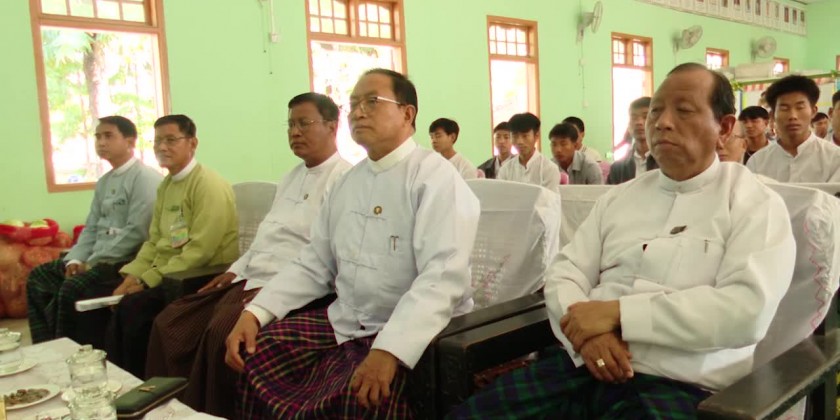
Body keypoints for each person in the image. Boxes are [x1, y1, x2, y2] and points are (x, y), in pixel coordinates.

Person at [449, 63, 795, 419]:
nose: (661, 123)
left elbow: (746, 311)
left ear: (723, 127)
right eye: (656, 111)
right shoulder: (618, 198)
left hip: (681, 384)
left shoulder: (754, 203)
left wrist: (618, 314)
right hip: (580, 366)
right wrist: (588, 336)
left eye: (683, 111)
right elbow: (565, 273)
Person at [228, 69, 480, 418]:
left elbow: (442, 279)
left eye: (372, 102)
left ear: (407, 114)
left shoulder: (435, 179)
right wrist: (256, 312)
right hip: (345, 321)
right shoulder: (348, 182)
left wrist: (390, 349)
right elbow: (314, 262)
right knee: (259, 354)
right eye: (354, 103)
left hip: (413, 329)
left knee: (358, 398)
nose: (358, 112)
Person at [144, 93, 351, 418]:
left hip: (288, 287)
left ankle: (210, 413)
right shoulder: (290, 177)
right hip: (250, 276)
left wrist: (268, 293)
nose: (295, 132)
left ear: (332, 126)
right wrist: (235, 269)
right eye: (290, 125)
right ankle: (164, 409)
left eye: (304, 123)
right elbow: (265, 237)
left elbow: (323, 258)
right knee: (172, 320)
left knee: (221, 332)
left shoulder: (344, 180)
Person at [105, 114, 240, 378]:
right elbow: (154, 241)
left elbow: (200, 251)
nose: (162, 147)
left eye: (170, 140)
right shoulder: (167, 184)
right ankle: (113, 378)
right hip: (167, 272)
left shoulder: (208, 185)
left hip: (199, 276)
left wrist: (147, 281)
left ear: (192, 143)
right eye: (157, 141)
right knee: (109, 298)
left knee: (133, 308)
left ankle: (140, 385)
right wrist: (132, 276)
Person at [27, 116, 162, 346]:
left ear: (130, 141)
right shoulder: (105, 181)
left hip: (122, 261)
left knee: (70, 289)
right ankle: (46, 345)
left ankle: (70, 352)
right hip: (95, 259)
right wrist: (75, 259)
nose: (101, 142)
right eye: (98, 136)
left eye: (108, 136)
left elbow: (137, 232)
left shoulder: (145, 178)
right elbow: (91, 227)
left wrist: (92, 262)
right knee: (39, 277)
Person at [746, 75, 840, 182]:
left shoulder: (835, 158)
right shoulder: (757, 162)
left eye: (800, 107)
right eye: (784, 108)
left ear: (813, 111)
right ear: (772, 115)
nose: (793, 116)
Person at [497, 113, 561, 192]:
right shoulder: (505, 169)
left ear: (536, 136)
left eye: (525, 136)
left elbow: (549, 198)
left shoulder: (549, 168)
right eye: (515, 136)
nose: (519, 142)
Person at [607, 97, 658, 184]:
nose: (638, 122)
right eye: (633, 118)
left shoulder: (669, 163)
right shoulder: (618, 168)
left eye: (645, 117)